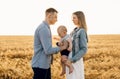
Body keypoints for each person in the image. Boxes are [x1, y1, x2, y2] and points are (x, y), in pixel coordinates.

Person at [31, 8, 68, 79]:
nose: (56, 19)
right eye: (55, 17)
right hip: (40, 65)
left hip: (44, 64)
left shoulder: (46, 27)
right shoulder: (43, 29)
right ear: (49, 15)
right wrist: (63, 47)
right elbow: (48, 50)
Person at [66, 11, 88, 79]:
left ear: (79, 18)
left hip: (75, 60)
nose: (72, 19)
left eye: (74, 18)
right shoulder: (73, 31)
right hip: (69, 60)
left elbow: (84, 49)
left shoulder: (82, 31)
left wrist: (72, 59)